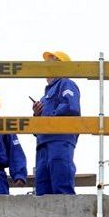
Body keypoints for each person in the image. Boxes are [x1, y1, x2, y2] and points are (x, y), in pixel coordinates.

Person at [31, 50, 81, 195]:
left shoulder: (66, 83)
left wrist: (48, 119)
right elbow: (35, 131)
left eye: (52, 61)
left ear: (61, 65)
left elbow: (71, 107)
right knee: (42, 192)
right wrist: (37, 114)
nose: (47, 65)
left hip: (60, 140)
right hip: (43, 144)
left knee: (61, 185)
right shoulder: (45, 96)